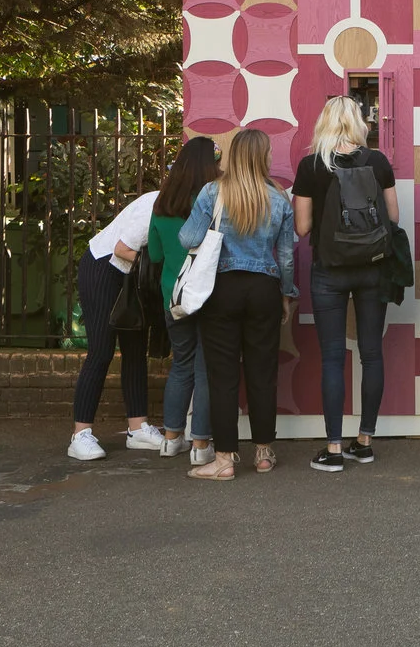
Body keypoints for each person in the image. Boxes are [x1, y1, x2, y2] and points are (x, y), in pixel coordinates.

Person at [292, 95, 400, 473]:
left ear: (324, 122)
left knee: (333, 357)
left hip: (329, 269)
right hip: (373, 268)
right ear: (359, 123)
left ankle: (334, 449)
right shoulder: (378, 162)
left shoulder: (311, 166)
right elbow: (393, 217)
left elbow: (302, 227)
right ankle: (365, 442)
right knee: (372, 353)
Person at [182, 127, 297, 480]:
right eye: (269, 152)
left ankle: (224, 460)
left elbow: (188, 238)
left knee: (222, 375)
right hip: (264, 289)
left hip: (221, 289)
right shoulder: (279, 199)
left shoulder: (212, 192)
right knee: (263, 372)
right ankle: (263, 453)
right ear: (262, 157)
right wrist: (286, 294)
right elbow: (286, 257)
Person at [69, 185, 164, 460]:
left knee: (135, 350)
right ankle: (80, 435)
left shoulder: (182, 205)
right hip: (103, 267)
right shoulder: (156, 205)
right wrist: (159, 269)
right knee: (101, 351)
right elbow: (122, 249)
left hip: (130, 276)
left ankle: (138, 428)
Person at [149, 135, 220, 463]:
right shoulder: (211, 201)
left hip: (173, 296)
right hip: (206, 294)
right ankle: (201, 446)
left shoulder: (161, 204)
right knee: (205, 368)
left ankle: (170, 439)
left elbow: (154, 254)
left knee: (181, 364)